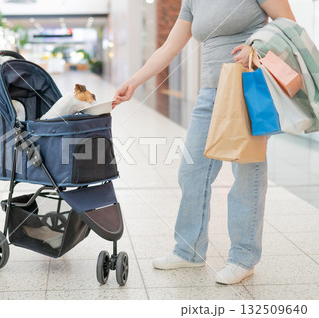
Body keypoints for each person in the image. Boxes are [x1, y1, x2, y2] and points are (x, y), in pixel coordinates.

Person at [113, 0, 296, 285]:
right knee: (192, 171)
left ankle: (243, 257)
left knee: (247, 174)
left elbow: (289, 27)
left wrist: (256, 47)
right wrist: (134, 82)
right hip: (210, 92)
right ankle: (189, 250)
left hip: (248, 86)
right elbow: (169, 47)